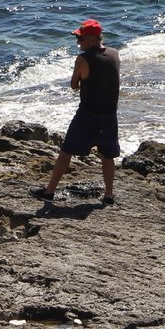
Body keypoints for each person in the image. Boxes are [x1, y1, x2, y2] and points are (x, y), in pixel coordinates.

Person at [31, 18, 121, 204]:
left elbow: (74, 85)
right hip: (109, 115)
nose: (78, 42)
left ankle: (49, 191)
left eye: (81, 39)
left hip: (87, 115)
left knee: (66, 151)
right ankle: (109, 194)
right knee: (107, 155)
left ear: (94, 38)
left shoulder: (83, 59)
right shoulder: (115, 54)